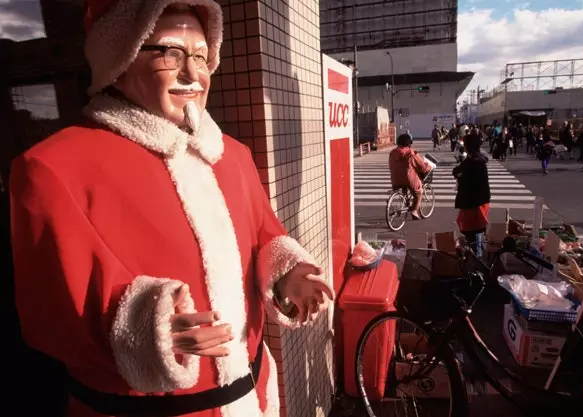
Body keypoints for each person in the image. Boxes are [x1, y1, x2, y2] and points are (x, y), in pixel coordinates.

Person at [9, 2, 333, 417]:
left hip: (254, 394)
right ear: (119, 58)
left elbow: (264, 236)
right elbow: (48, 313)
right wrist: (150, 329)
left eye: (201, 55)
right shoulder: (52, 167)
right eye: (170, 52)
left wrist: (289, 272)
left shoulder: (232, 155)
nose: (192, 73)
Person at [453, 132, 491, 258]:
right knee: (476, 231)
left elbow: (458, 171)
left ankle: (477, 262)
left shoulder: (472, 162)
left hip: (472, 202)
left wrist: (459, 174)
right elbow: (459, 170)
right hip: (480, 201)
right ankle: (477, 257)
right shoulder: (478, 160)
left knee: (472, 232)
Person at [389, 133, 433, 220]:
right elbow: (422, 167)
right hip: (408, 179)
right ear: (409, 143)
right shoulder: (411, 153)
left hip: (395, 179)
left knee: (404, 188)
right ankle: (414, 211)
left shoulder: (393, 153)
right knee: (419, 193)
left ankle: (405, 202)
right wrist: (429, 167)